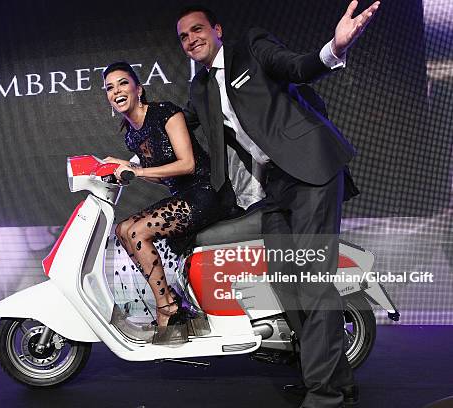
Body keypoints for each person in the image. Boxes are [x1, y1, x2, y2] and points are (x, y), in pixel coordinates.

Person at [176, 2, 379, 407]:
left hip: (312, 171)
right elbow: (177, 128)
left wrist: (335, 47)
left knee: (312, 282)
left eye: (198, 29)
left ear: (216, 29)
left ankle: (324, 396)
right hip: (277, 188)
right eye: (183, 36)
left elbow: (298, 67)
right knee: (287, 285)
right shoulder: (199, 88)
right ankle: (337, 380)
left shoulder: (250, 47)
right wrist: (132, 141)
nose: (191, 40)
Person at [101, 62, 223, 328]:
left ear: (138, 89)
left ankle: (167, 308)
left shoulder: (165, 112)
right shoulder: (131, 136)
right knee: (123, 229)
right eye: (109, 88)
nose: (116, 91)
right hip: (181, 196)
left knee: (137, 232)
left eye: (123, 83)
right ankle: (169, 301)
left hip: (204, 192)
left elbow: (186, 164)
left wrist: (138, 170)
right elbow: (160, 176)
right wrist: (128, 168)